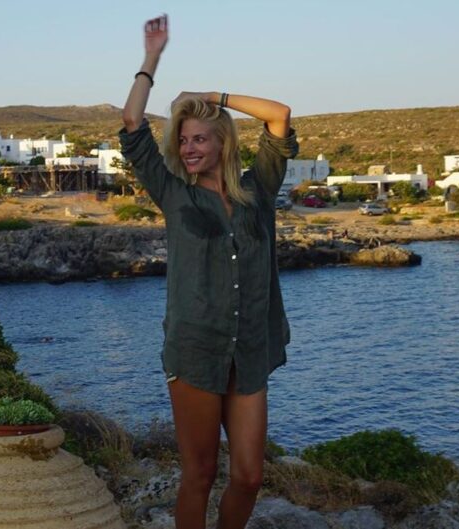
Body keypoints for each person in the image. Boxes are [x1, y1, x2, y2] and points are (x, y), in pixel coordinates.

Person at [119, 15, 298, 529]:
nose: (189, 148)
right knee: (198, 474)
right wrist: (152, 58)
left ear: (222, 143)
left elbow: (280, 115)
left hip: (250, 349)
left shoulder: (258, 189)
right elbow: (132, 121)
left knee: (248, 476)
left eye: (199, 139)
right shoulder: (174, 194)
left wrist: (211, 95)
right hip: (196, 350)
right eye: (183, 141)